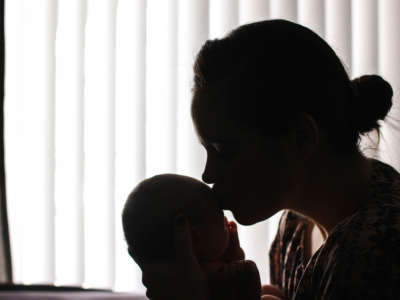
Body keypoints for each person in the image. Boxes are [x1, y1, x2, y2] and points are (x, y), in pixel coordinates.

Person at [139, 19, 400, 300]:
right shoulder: (295, 227)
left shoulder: (381, 249)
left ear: (301, 137)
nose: (208, 174)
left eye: (224, 150)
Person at [122, 174, 261, 300]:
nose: (227, 223)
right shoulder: (204, 275)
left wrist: (233, 254)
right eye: (221, 221)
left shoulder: (182, 279)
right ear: (194, 237)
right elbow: (247, 281)